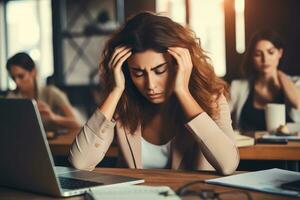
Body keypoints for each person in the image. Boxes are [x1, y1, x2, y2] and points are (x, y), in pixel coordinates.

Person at [69, 12, 239, 175]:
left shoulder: (211, 99)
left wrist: (183, 92)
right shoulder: (123, 102)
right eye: (138, 73)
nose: (150, 85)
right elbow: (80, 163)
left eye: (159, 70)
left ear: (179, 64)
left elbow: (228, 165)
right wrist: (115, 91)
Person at [230, 30, 300, 131]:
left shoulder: (295, 82)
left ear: (280, 53)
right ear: (252, 57)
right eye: (258, 54)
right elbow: (219, 115)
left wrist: (279, 74)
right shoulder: (238, 87)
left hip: (288, 146)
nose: (265, 59)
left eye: (270, 52)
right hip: (248, 146)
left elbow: (297, 103)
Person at [6, 52, 81, 131]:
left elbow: (77, 123)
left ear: (33, 72)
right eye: (13, 78)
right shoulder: (11, 98)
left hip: (55, 143)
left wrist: (53, 117)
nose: (17, 82)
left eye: (21, 76)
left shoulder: (51, 92)